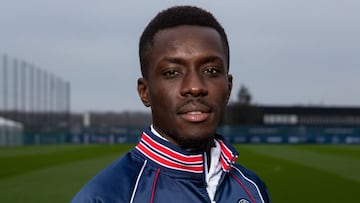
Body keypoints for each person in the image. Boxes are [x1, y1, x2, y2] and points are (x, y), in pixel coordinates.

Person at [71, 5, 270, 203]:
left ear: (228, 87)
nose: (194, 87)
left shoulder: (252, 188)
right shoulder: (105, 197)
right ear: (145, 91)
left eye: (210, 71)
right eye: (172, 73)